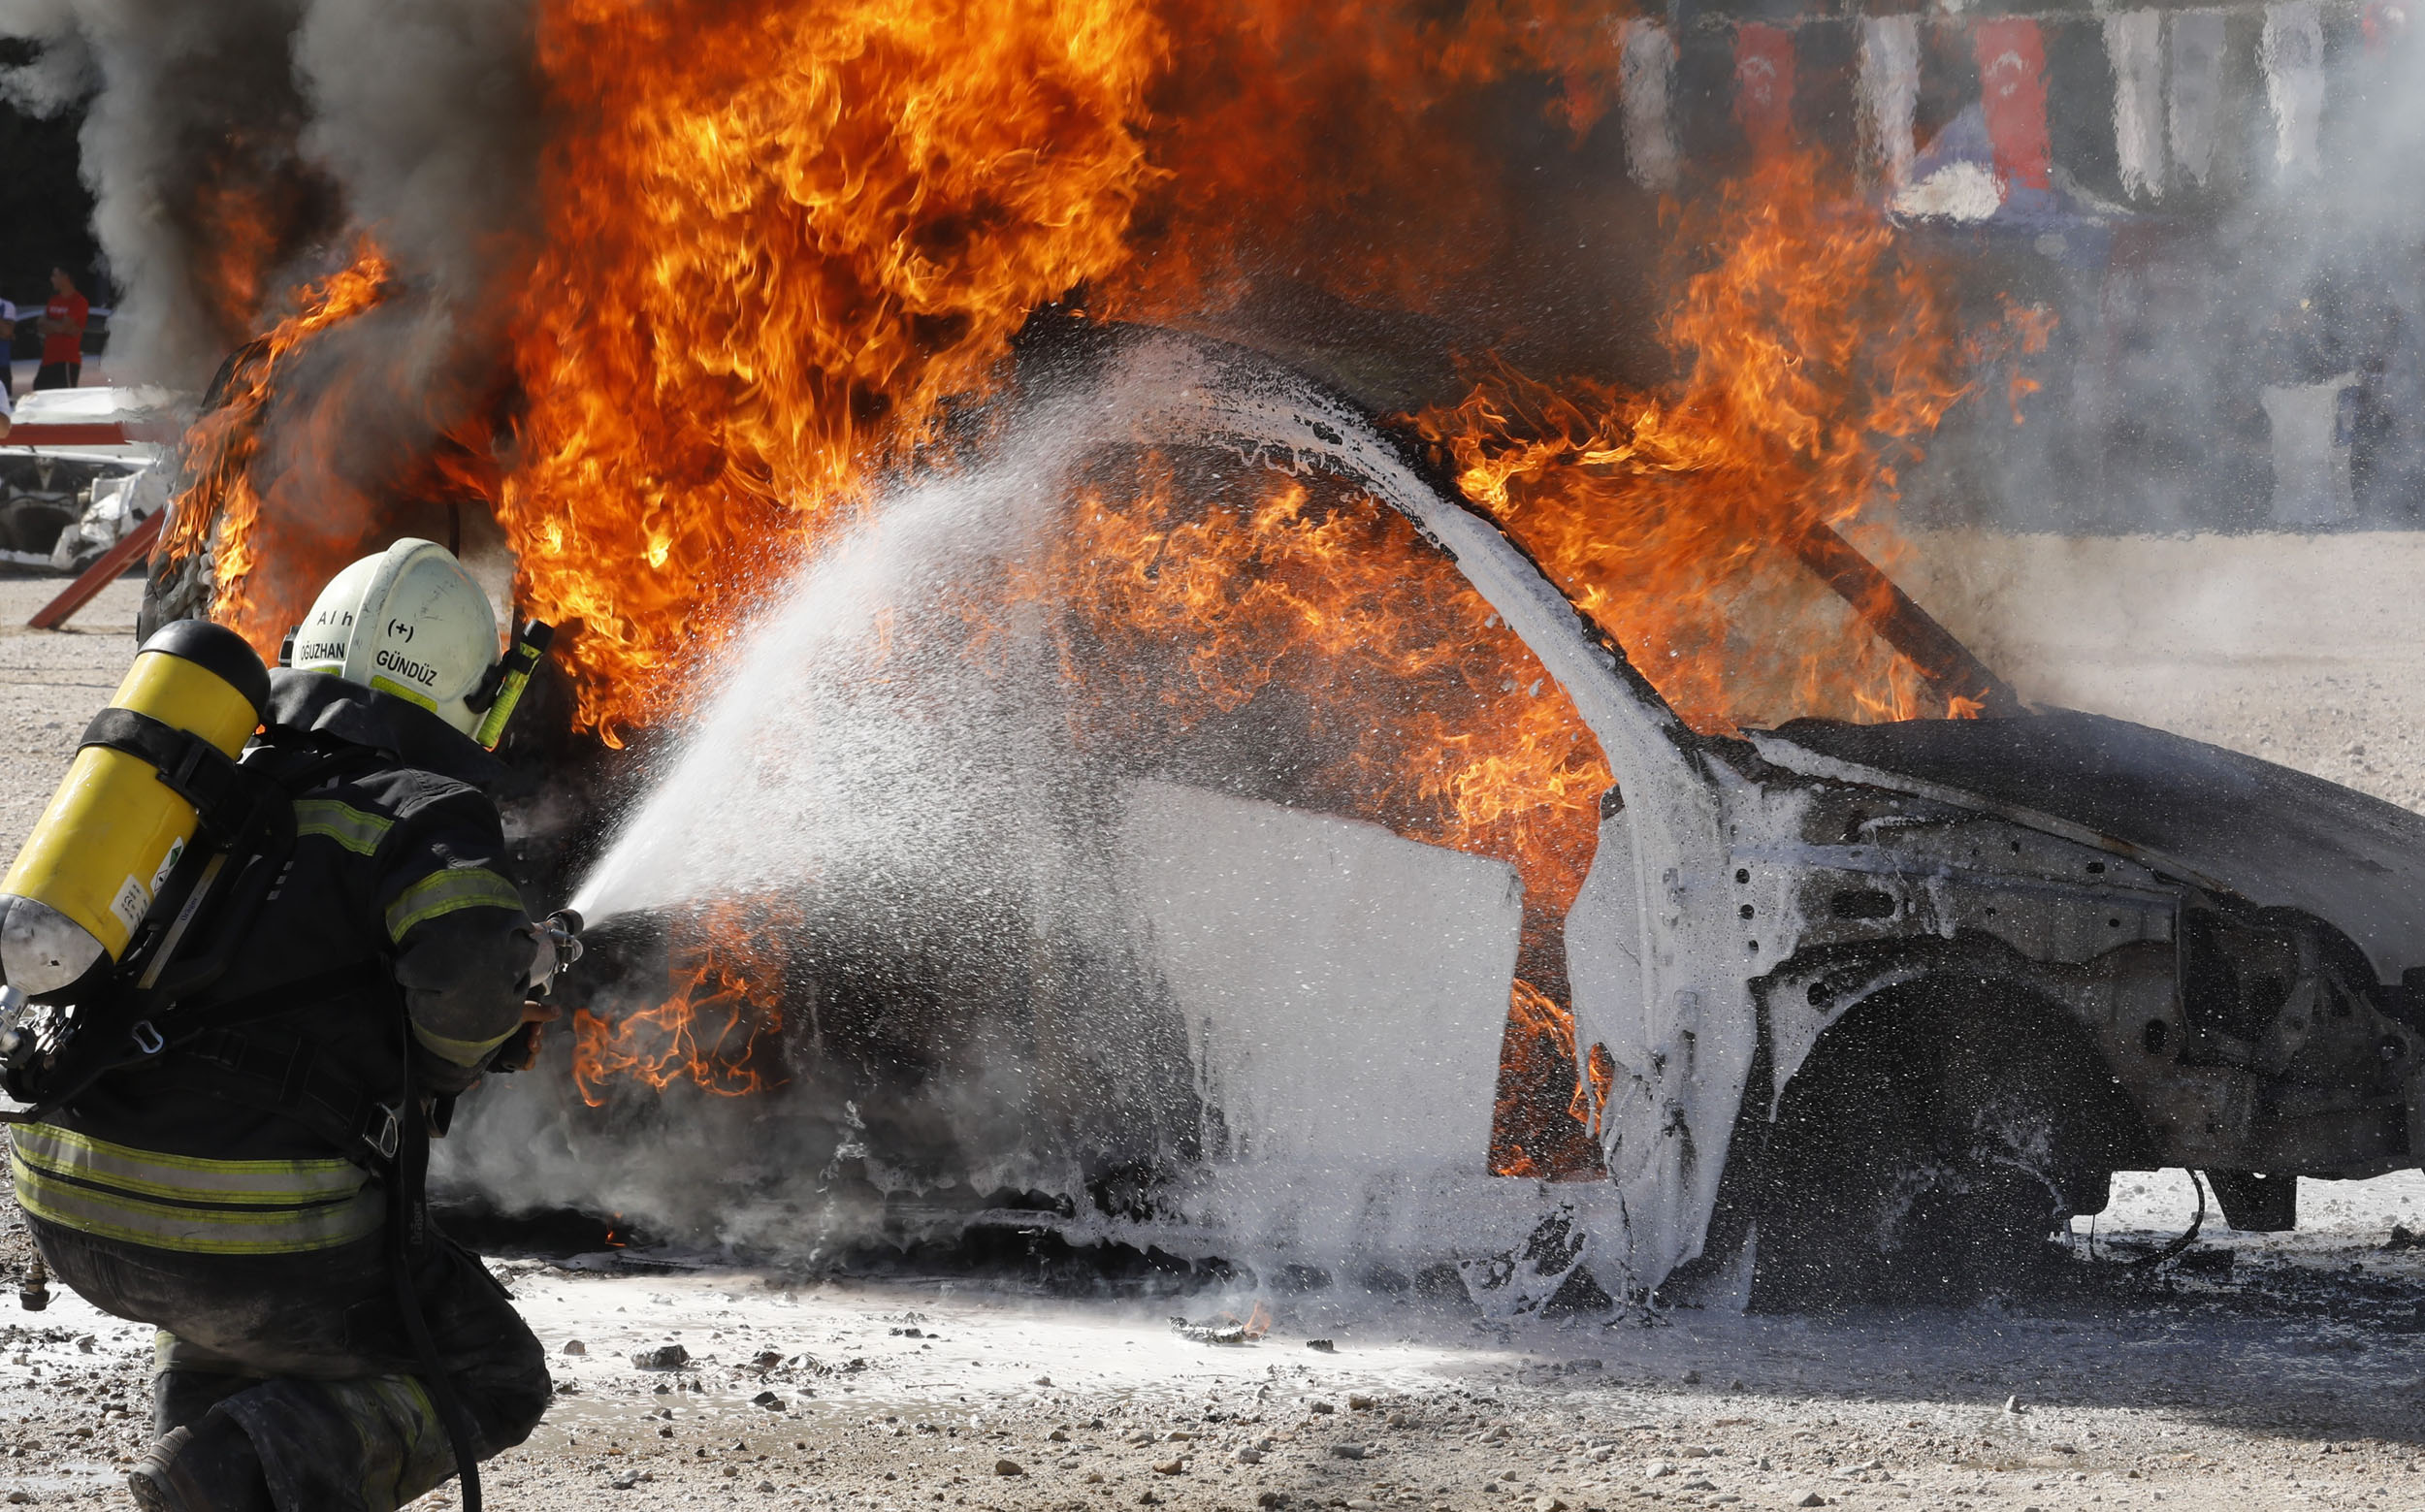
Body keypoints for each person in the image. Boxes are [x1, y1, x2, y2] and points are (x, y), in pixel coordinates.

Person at [6, 539, 556, 1511]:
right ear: (474, 696)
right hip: (247, 1228)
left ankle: (202, 1453)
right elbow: (468, 980)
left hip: (68, 1201)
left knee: (243, 1309)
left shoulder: (207, 782)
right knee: (493, 1370)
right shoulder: (425, 809)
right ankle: (231, 1474)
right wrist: (445, 1060)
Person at [35, 267, 86, 390]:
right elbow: (40, 326)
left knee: (64, 400)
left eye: (55, 276)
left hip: (67, 361)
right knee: (39, 391)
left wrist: (53, 325)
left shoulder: (78, 301)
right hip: (47, 360)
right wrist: (60, 326)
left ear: (65, 277)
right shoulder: (53, 300)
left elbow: (60, 327)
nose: (51, 279)